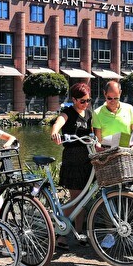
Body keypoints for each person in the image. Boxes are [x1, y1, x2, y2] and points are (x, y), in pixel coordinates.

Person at [50, 83, 93, 250]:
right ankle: (61, 233)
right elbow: (58, 123)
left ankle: (79, 232)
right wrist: (55, 132)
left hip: (87, 159)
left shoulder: (89, 113)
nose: (86, 104)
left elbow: (96, 132)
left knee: (83, 198)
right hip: (73, 159)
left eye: (88, 100)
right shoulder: (68, 112)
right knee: (76, 197)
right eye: (82, 101)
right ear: (73, 99)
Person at [92, 80, 133, 148]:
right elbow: (98, 139)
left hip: (126, 150)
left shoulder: (129, 109)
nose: (113, 101)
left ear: (120, 93)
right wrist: (98, 147)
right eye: (109, 98)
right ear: (104, 93)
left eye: (116, 98)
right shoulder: (97, 113)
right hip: (107, 151)